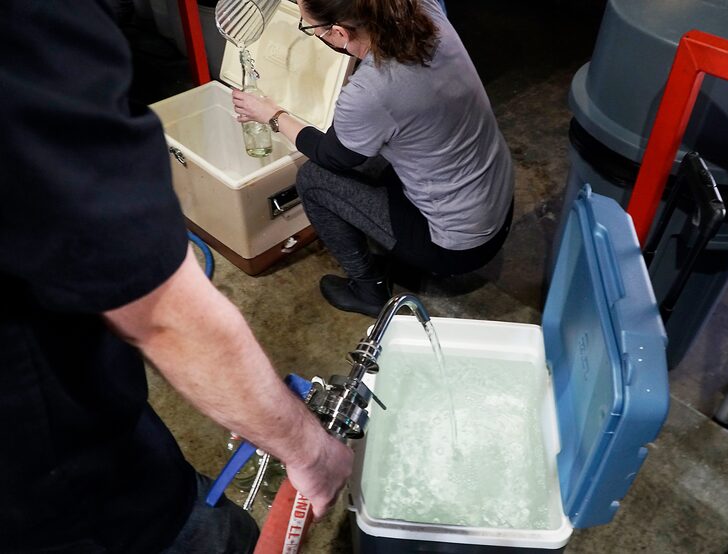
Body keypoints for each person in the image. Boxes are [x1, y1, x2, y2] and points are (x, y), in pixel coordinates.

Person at [0, 2, 352, 553]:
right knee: (217, 538)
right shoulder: (32, 27)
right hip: (68, 494)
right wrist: (310, 450)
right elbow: (163, 314)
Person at [232, 0, 515, 317]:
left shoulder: (373, 88)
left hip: (458, 246)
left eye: (309, 28)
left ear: (339, 32)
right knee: (381, 148)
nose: (310, 33)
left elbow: (332, 156)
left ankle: (369, 291)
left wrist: (273, 115)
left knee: (313, 179)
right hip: (498, 206)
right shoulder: (423, 10)